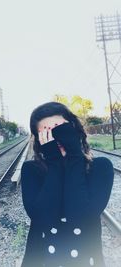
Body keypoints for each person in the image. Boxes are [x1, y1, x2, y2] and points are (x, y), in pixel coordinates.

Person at [20, 101, 114, 267]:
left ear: (73, 128)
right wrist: (55, 161)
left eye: (60, 129)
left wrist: (74, 155)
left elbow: (80, 216)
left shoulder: (100, 167)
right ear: (40, 140)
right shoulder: (31, 170)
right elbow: (43, 218)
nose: (57, 138)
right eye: (48, 133)